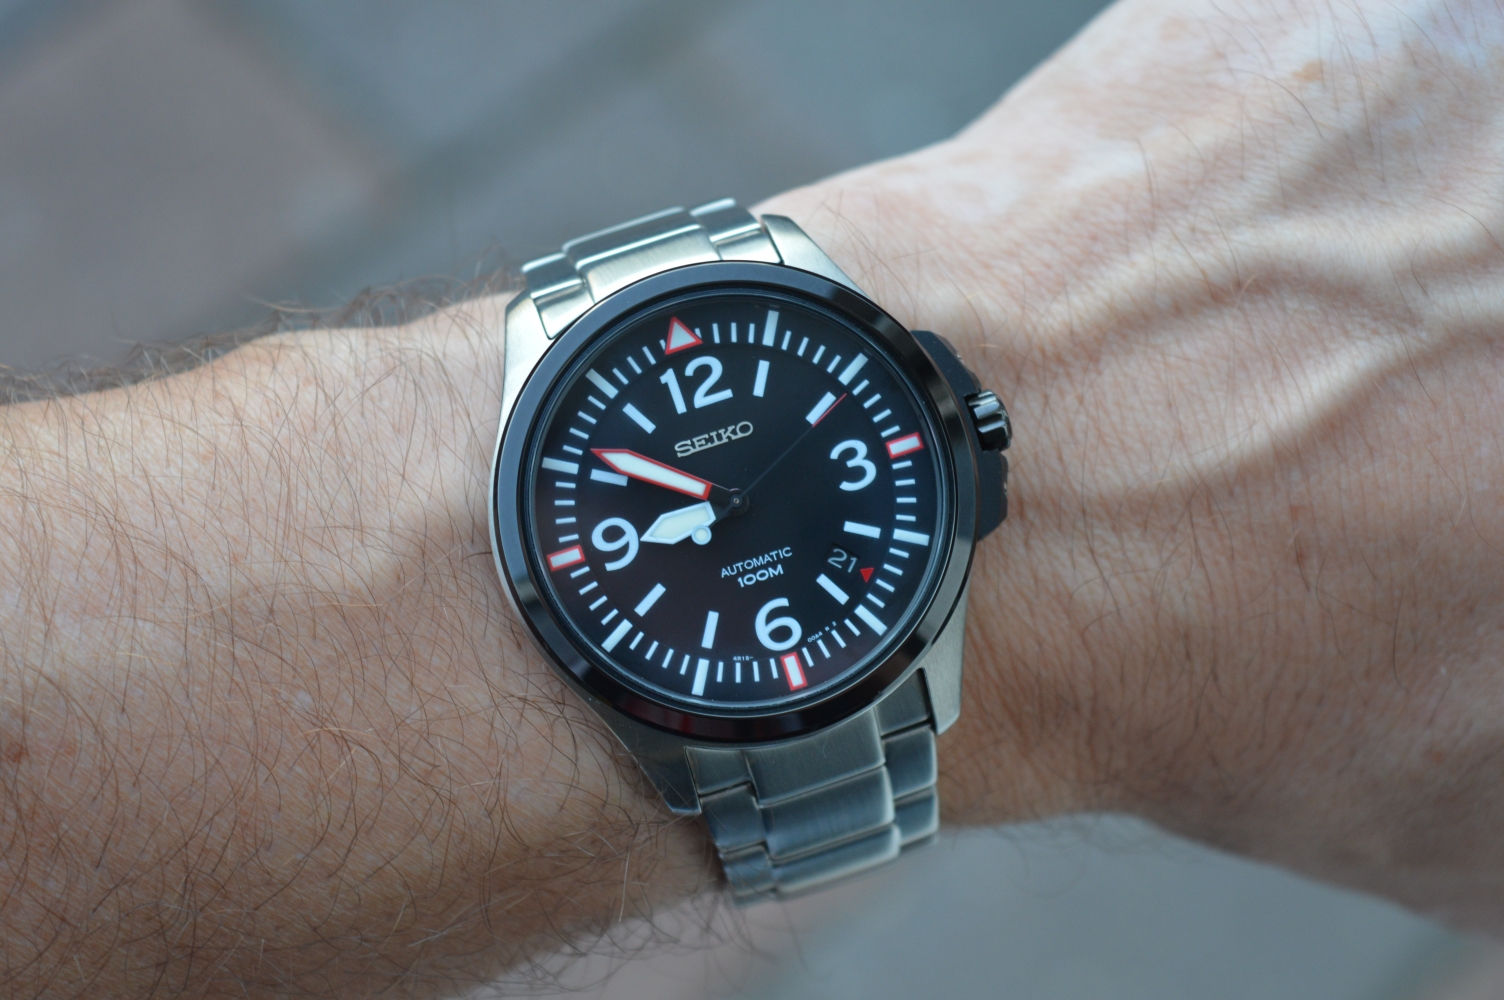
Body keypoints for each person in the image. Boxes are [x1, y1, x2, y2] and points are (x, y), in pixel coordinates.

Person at [5, 0, 1504, 994]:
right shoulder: (598, 555)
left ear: (962, 446)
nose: (716, 510)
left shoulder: (890, 472)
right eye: (685, 504)